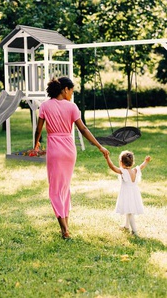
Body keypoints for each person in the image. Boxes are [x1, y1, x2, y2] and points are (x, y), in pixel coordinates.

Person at [34, 77, 109, 240]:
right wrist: (99, 146)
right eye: (71, 91)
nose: (71, 94)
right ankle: (66, 225)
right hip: (69, 150)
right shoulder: (72, 107)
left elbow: (38, 129)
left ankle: (64, 230)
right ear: (65, 89)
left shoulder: (45, 106)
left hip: (54, 151)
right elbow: (83, 129)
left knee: (55, 189)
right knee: (65, 188)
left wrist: (36, 144)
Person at [104, 150, 151, 236]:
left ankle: (135, 231)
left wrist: (107, 158)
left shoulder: (123, 171)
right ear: (132, 162)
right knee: (128, 209)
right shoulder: (135, 170)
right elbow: (142, 166)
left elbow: (112, 167)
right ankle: (126, 225)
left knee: (129, 213)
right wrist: (146, 161)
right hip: (134, 194)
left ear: (121, 162)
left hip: (127, 195)